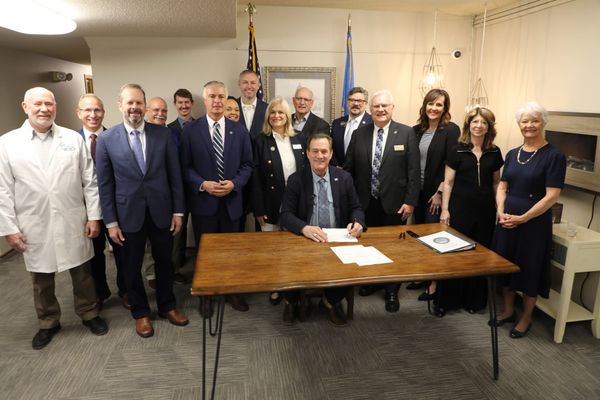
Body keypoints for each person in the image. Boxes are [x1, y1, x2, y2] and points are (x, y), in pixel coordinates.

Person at [0, 87, 108, 349]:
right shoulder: (8, 143)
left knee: (82, 273)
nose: (44, 109)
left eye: (49, 104)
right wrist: (9, 229)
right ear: (25, 107)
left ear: (56, 107)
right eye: (37, 104)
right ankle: (48, 321)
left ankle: (89, 313)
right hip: (33, 222)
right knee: (41, 278)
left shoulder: (72, 138)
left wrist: (94, 216)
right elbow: (3, 189)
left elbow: (89, 181)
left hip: (73, 218)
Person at [96, 84, 189, 338]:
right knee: (130, 267)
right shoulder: (106, 139)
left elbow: (175, 176)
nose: (134, 107)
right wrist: (111, 222)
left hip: (161, 211)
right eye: (129, 103)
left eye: (139, 103)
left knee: (165, 263)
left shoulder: (163, 134)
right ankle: (141, 313)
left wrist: (178, 212)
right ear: (120, 106)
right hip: (127, 216)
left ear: (145, 106)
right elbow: (105, 184)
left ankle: (168, 306)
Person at [490, 101, 566, 338]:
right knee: (506, 265)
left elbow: (552, 195)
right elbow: (503, 186)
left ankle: (526, 318)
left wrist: (523, 218)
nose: (529, 125)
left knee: (530, 269)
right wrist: (500, 210)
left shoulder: (554, 156)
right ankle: (509, 310)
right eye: (525, 121)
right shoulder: (513, 154)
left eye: (534, 120)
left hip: (533, 224)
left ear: (543, 123)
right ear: (519, 125)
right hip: (506, 221)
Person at [180, 81, 253, 316]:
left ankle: (233, 291)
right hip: (204, 204)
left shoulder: (239, 130)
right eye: (212, 96)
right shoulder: (191, 130)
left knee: (232, 251)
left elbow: (247, 164)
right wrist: (202, 184)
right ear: (204, 99)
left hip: (232, 204)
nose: (218, 100)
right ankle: (206, 295)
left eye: (221, 96)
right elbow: (185, 166)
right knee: (205, 253)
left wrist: (235, 183)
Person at [344, 89, 420, 312]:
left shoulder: (406, 133)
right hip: (365, 202)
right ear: (370, 108)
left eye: (385, 106)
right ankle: (373, 281)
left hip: (396, 203)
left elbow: (414, 171)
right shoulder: (360, 134)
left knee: (393, 248)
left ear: (392, 108)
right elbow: (349, 169)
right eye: (376, 106)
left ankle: (391, 289)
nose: (380, 109)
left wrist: (411, 201)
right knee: (368, 246)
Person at [279, 132, 365, 326]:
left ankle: (330, 301)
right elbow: (285, 215)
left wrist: (358, 222)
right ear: (307, 153)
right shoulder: (296, 179)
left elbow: (356, 208)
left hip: (338, 238)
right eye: (315, 151)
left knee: (353, 268)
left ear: (331, 153)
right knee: (286, 263)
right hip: (305, 239)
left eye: (324, 151)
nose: (320, 156)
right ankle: (292, 301)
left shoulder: (344, 178)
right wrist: (304, 228)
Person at [436, 107, 504, 316]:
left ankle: (473, 300)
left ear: (489, 127)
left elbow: (496, 184)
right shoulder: (457, 149)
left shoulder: (494, 152)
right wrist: (445, 210)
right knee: (454, 255)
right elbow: (448, 182)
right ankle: (446, 302)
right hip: (459, 210)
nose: (479, 126)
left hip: (484, 212)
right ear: (469, 125)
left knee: (478, 256)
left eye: (483, 123)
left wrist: (499, 209)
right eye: (475, 122)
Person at [251, 97, 306, 305]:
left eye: (281, 112)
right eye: (273, 112)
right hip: (270, 203)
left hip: (296, 203)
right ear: (268, 116)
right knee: (272, 250)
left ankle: (294, 284)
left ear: (287, 116)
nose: (276, 116)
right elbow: (255, 179)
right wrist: (258, 208)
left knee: (295, 247)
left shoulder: (299, 138)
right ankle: (275, 286)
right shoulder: (260, 140)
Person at [76, 94, 128, 310]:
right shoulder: (71, 141)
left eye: (97, 110)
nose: (93, 115)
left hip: (117, 208)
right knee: (93, 255)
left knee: (123, 253)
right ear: (78, 113)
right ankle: (100, 292)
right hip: (87, 211)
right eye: (87, 110)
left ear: (104, 112)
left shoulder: (118, 137)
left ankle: (126, 291)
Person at [408, 89, 460, 300]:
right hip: (417, 193)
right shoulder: (416, 130)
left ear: (445, 108)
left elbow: (451, 165)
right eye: (431, 103)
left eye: (439, 105)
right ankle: (423, 274)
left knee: (435, 238)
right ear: (425, 105)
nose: (434, 108)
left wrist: (439, 193)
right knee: (419, 237)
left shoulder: (450, 130)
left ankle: (434, 283)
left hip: (435, 195)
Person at [330, 86, 372, 166]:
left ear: (365, 103)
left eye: (359, 101)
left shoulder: (372, 123)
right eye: (352, 100)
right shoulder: (337, 123)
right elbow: (331, 148)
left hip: (362, 174)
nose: (355, 104)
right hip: (340, 173)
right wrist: (336, 167)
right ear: (347, 102)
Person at [236, 70, 268, 140]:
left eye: (253, 83)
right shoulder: (229, 108)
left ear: (259, 85)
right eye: (245, 82)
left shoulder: (268, 109)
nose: (249, 86)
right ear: (239, 84)